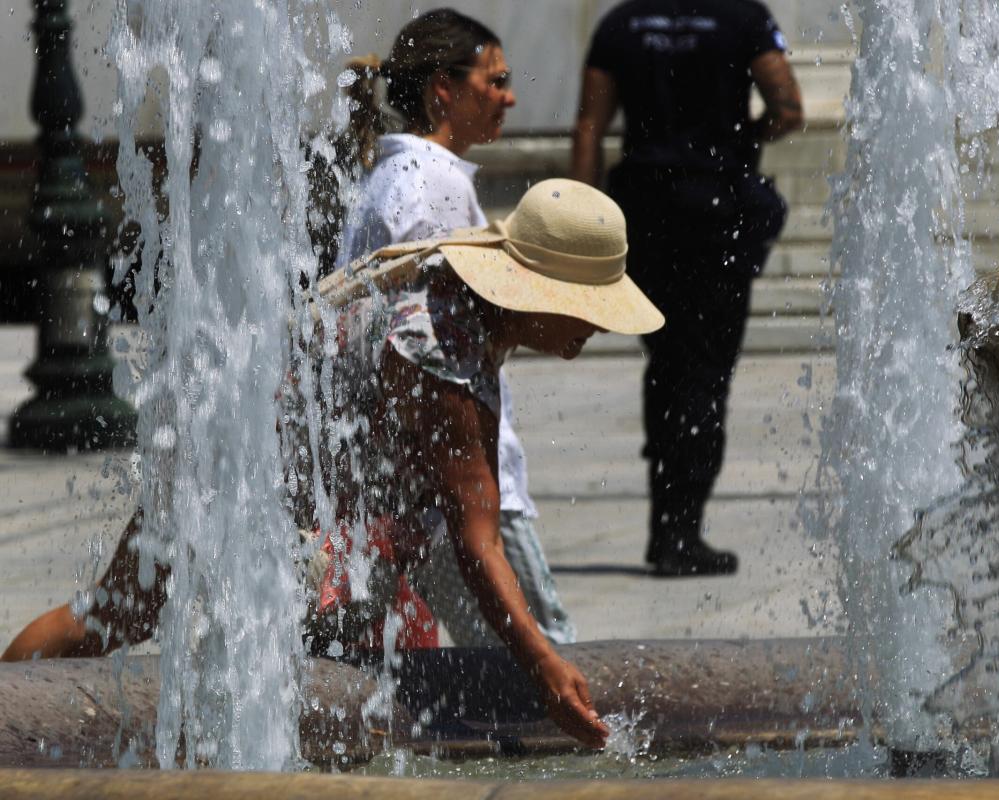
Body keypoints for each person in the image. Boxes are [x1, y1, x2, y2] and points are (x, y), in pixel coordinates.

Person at [2, 178, 664, 749]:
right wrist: (545, 662)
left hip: (251, 452)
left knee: (130, 615)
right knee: (121, 615)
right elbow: (475, 540)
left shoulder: (463, 302)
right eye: (587, 307)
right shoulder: (441, 354)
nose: (598, 325)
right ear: (537, 290)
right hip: (234, 463)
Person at [335, 9, 576, 647]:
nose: (510, 95)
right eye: (494, 81)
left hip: (415, 482)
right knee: (541, 656)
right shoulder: (430, 183)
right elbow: (425, 340)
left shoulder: (398, 175)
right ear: (444, 87)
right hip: (454, 480)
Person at [570, 0, 804, 577]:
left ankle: (666, 527)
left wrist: (578, 217)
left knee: (666, 361)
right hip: (716, 206)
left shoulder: (621, 24)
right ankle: (681, 531)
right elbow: (789, 107)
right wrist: (742, 138)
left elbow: (590, 128)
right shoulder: (742, 17)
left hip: (645, 209)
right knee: (705, 369)